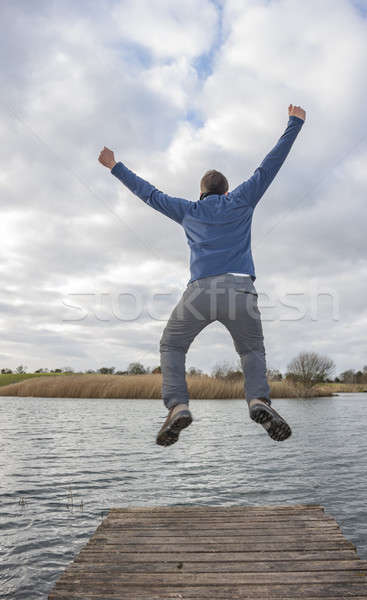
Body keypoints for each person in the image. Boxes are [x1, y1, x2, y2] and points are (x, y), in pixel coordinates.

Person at [99, 103, 306, 447]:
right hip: (241, 290)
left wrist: (115, 166)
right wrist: (294, 123)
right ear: (226, 192)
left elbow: (149, 194)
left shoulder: (188, 210)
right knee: (251, 351)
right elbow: (270, 164)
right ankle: (258, 400)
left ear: (201, 193)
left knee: (172, 344)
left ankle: (178, 405)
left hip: (199, 293)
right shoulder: (242, 199)